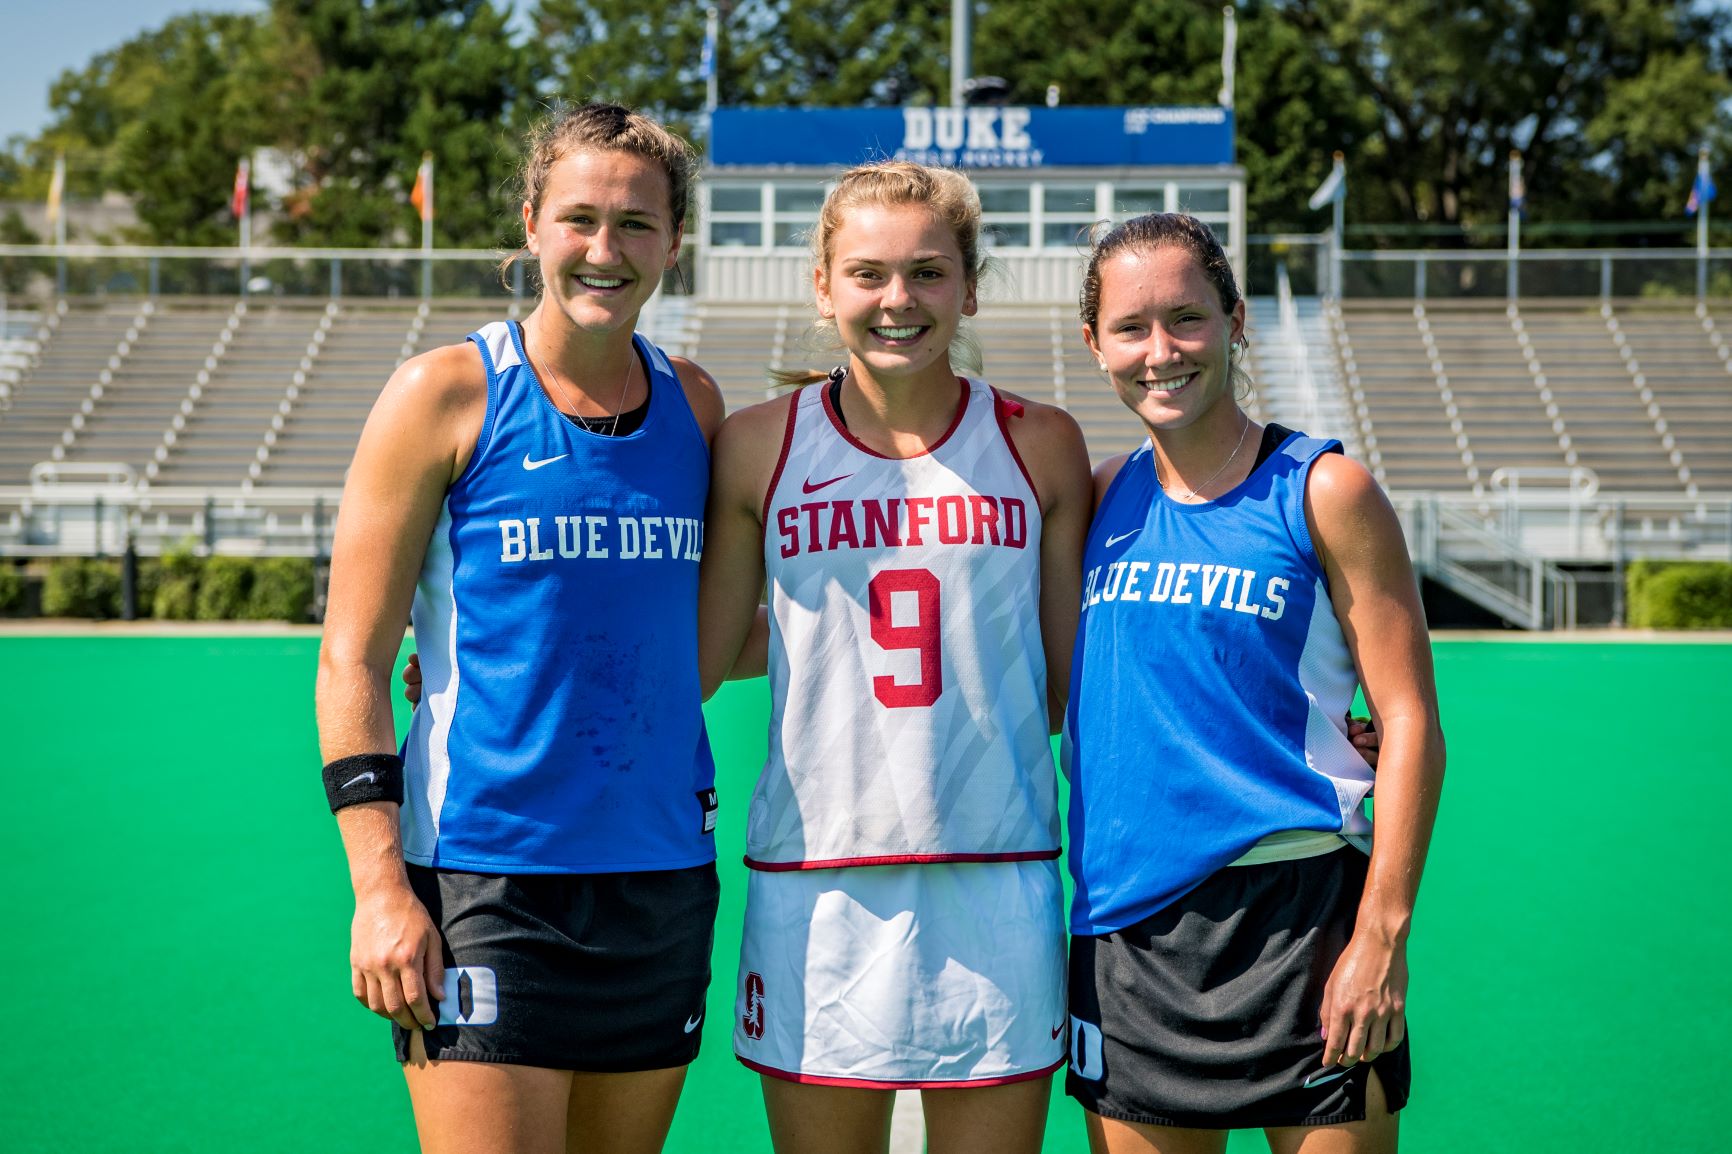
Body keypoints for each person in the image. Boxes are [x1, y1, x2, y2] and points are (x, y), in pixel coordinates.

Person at [314, 102, 729, 1154]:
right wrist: (379, 886)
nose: (605, 249)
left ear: (674, 242)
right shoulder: (445, 393)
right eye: (580, 217)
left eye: (636, 223)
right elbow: (354, 657)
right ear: (533, 221)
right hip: (484, 878)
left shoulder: (697, 405)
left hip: (663, 876)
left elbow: (701, 639)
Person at [695, 160, 1096, 1154]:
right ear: (822, 286)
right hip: (816, 877)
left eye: (927, 272)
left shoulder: (1040, 443)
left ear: (968, 285)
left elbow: (1068, 676)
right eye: (868, 273)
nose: (897, 299)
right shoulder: (756, 445)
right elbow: (702, 653)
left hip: (996, 869)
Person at [1060, 212, 1445, 1154]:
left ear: (1236, 321)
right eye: (1132, 328)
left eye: (1187, 319)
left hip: (1303, 918)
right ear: (1093, 344)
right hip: (1127, 928)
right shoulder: (1101, 495)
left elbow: (1409, 721)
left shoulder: (1322, 489)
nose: (1162, 352)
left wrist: (1380, 938)